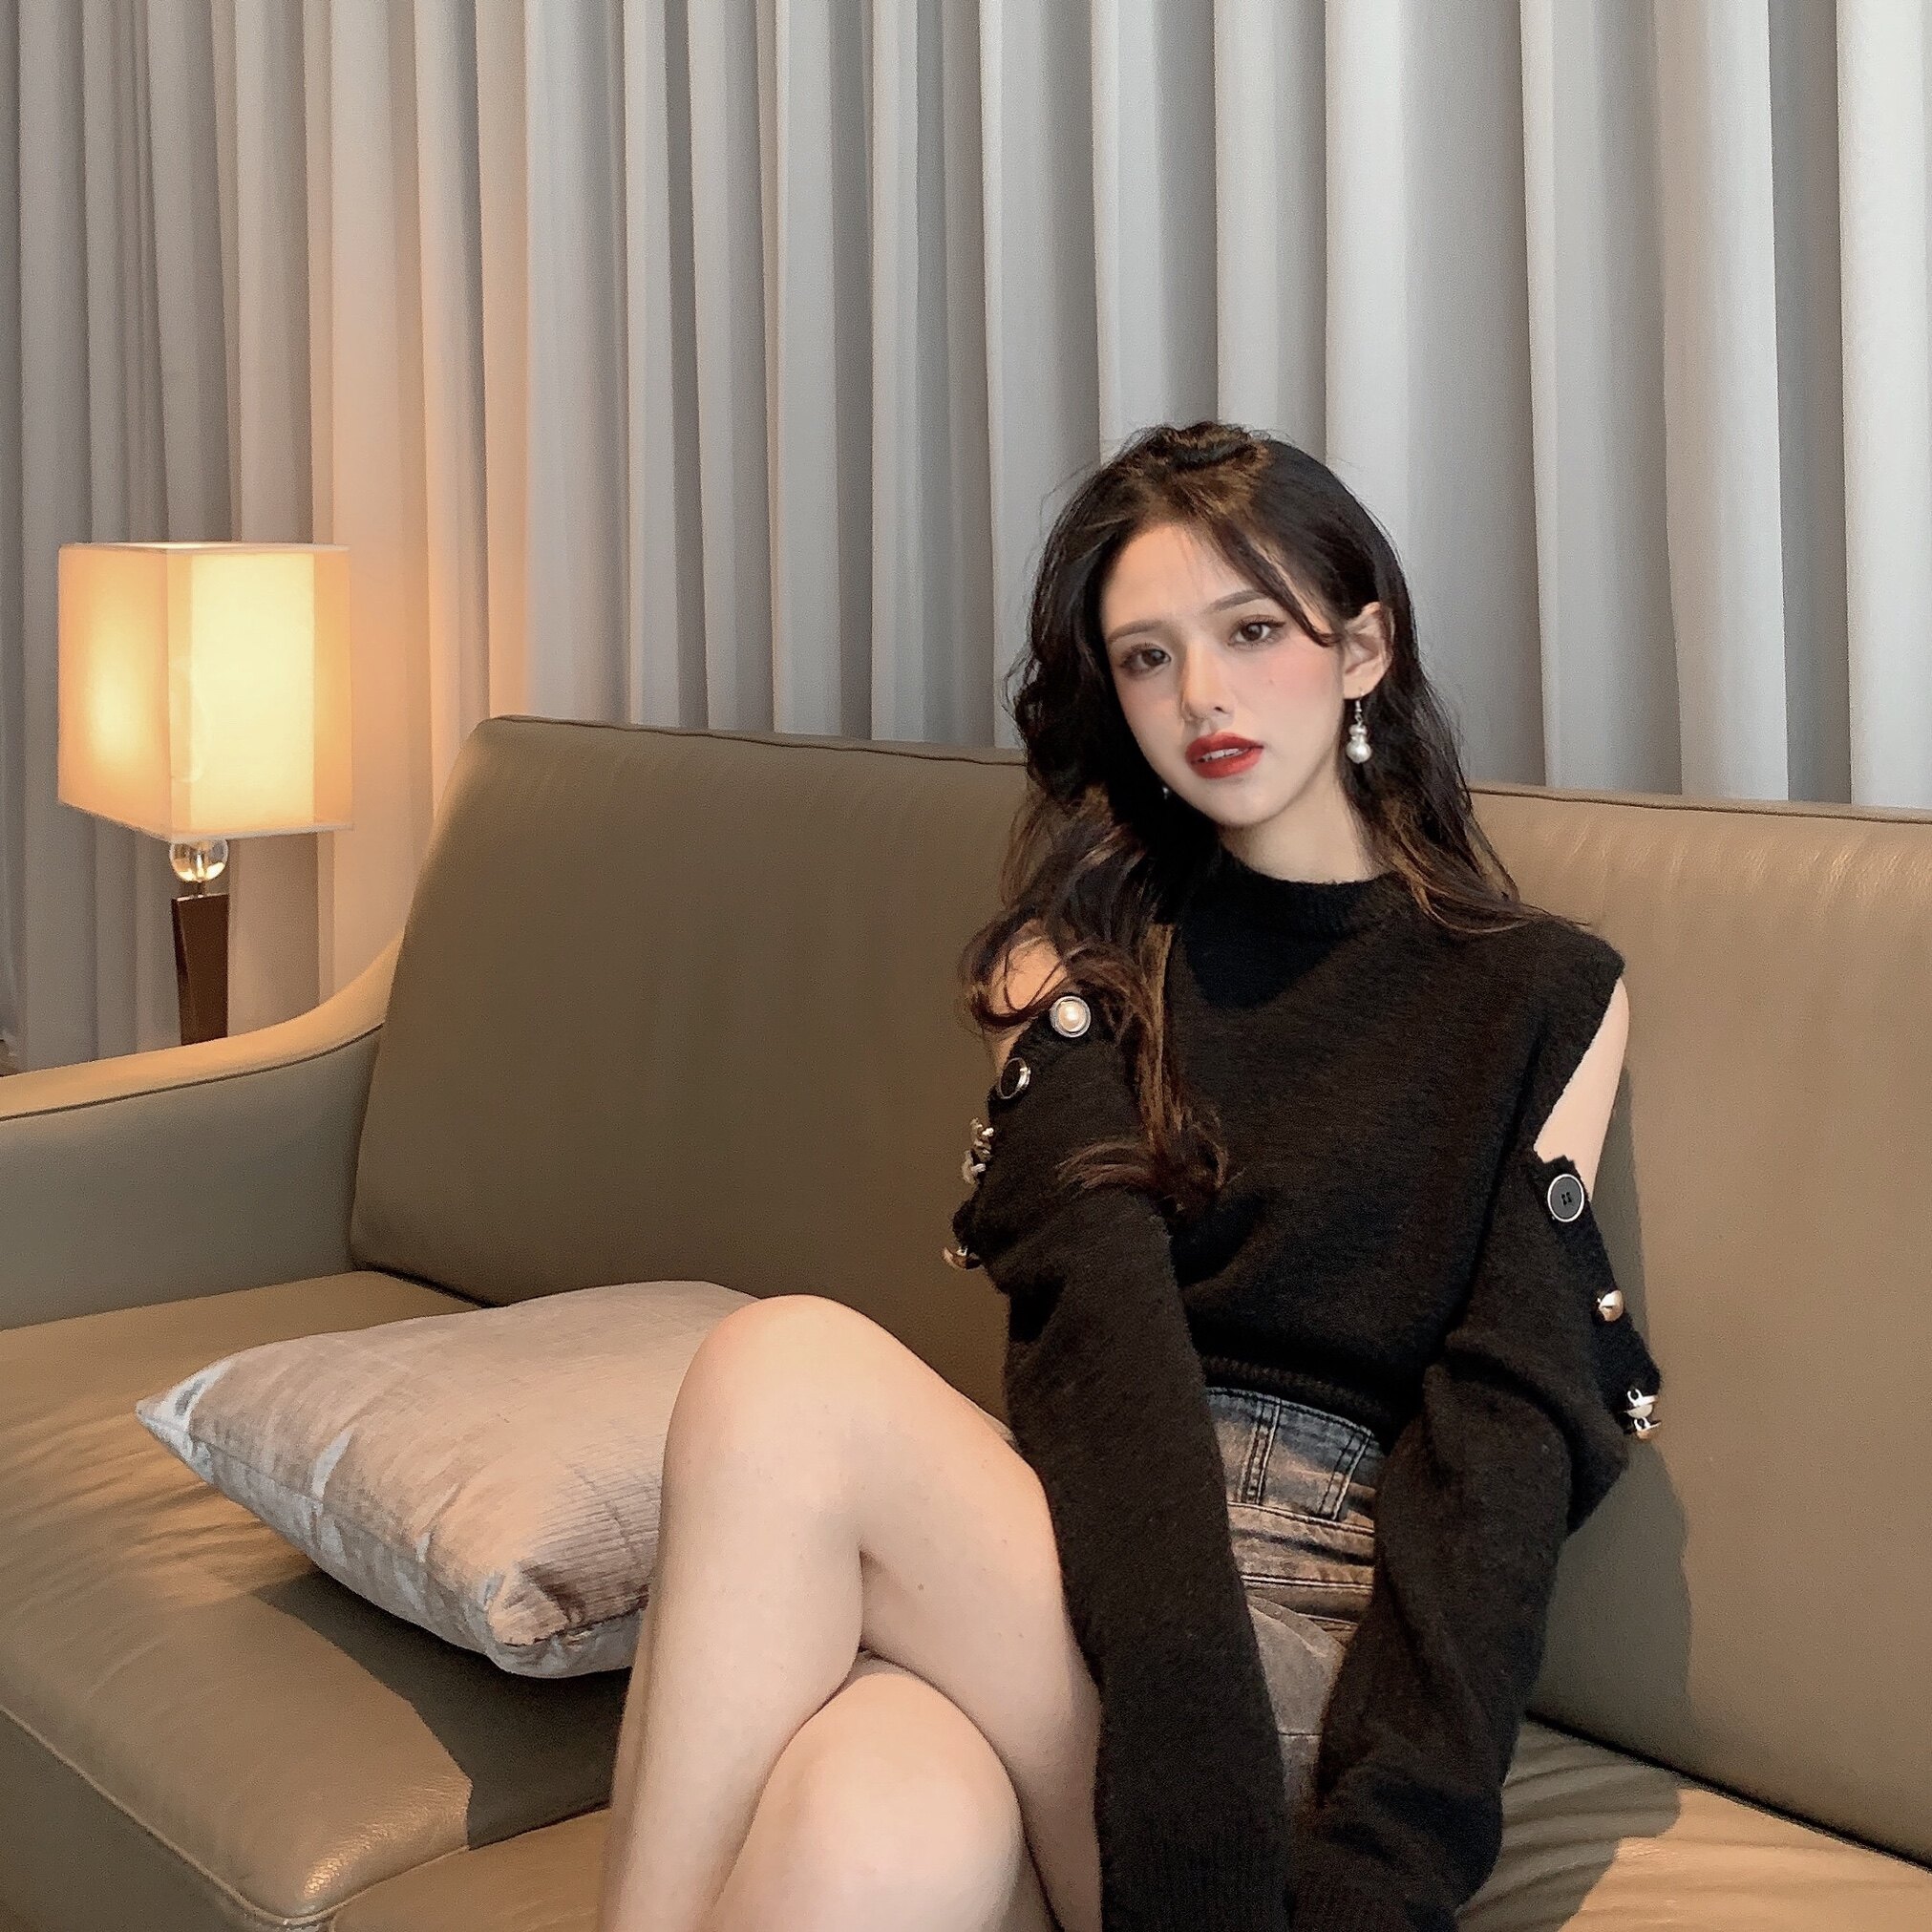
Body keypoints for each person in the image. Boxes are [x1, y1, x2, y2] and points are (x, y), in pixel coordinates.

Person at [593, 420, 1663, 1932]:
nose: (1202, 695)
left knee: (784, 1372)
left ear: (1363, 648)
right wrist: (1168, 1704)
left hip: (1298, 1659)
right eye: (1148, 658)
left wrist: (1380, 1873)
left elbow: (1503, 1453)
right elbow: (1099, 1343)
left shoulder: (1543, 993)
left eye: (1250, 632)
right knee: (873, 1820)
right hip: (1092, 1576)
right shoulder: (1078, 962)